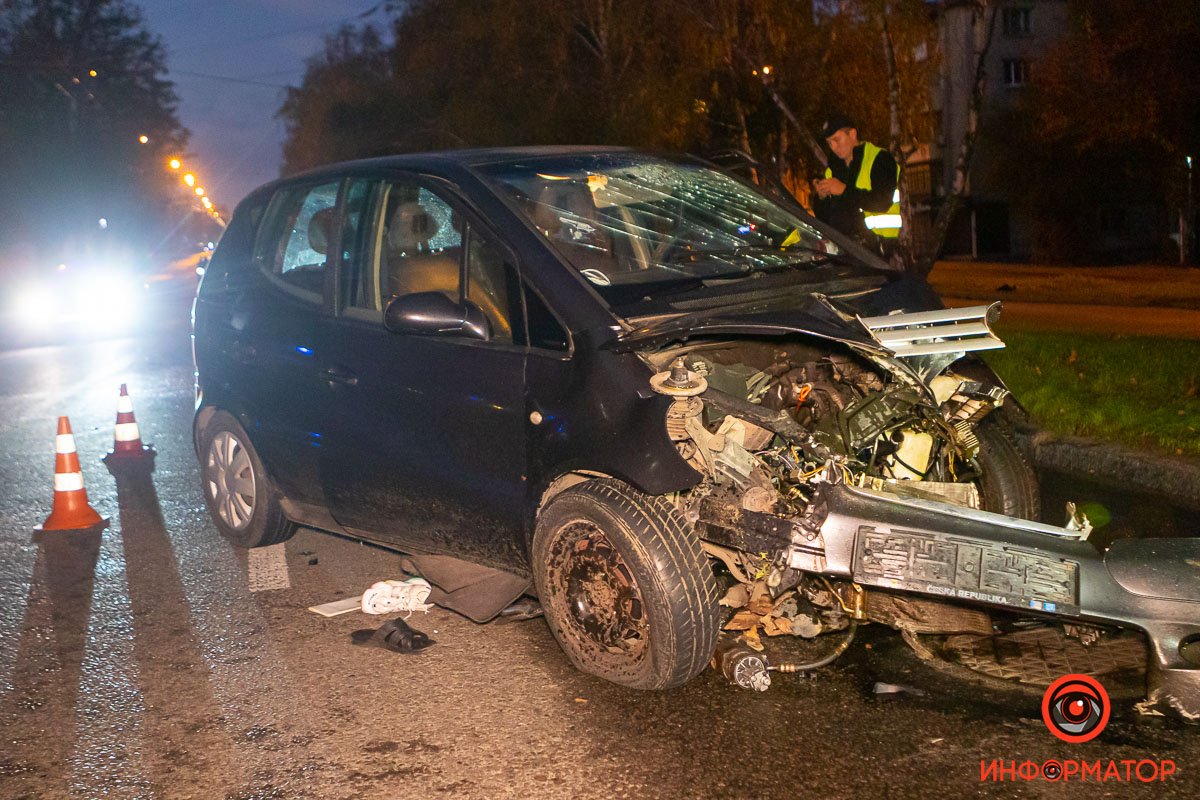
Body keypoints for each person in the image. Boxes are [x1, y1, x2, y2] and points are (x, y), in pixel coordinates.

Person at [811, 113, 902, 257]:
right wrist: (821, 198)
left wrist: (843, 190)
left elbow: (882, 202)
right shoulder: (832, 170)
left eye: (836, 139)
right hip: (844, 251)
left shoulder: (880, 159)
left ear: (852, 134)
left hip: (880, 251)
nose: (833, 147)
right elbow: (825, 216)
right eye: (829, 143)